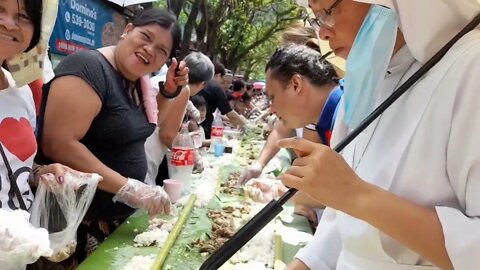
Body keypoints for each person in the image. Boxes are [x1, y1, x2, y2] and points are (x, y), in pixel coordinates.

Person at [280, 1, 480, 269]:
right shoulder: (362, 83)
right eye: (315, 19)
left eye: (329, 11)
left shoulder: (471, 67)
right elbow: (344, 226)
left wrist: (356, 195)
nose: (323, 34)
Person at [36, 8, 189, 266]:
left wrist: (169, 92)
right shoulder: (89, 68)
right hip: (77, 226)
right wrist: (128, 188)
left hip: (115, 222)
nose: (150, 49)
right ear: (127, 30)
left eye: (162, 50)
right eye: (145, 36)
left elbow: (144, 127)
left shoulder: (137, 81)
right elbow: (58, 143)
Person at [0, 0, 80, 267]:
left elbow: (12, 166)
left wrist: (38, 172)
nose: (9, 23)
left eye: (22, 16)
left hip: (18, 253)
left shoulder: (20, 90)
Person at [144, 51, 214, 184]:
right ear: (203, 84)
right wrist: (195, 158)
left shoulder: (159, 79)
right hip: (145, 158)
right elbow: (167, 136)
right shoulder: (182, 88)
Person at [198, 61, 247, 138]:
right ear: (218, 75)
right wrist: (244, 126)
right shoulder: (215, 87)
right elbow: (229, 113)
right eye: (223, 79)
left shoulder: (202, 84)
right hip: (204, 126)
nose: (222, 82)